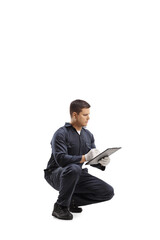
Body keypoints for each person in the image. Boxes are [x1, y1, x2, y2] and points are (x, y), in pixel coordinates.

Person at [44, 99, 114, 220]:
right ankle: (60, 206)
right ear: (75, 115)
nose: (88, 118)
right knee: (74, 168)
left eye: (89, 114)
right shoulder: (61, 133)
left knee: (107, 191)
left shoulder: (88, 135)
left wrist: (101, 162)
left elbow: (91, 159)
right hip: (56, 174)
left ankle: (71, 201)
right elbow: (61, 160)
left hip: (76, 174)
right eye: (85, 115)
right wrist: (84, 157)